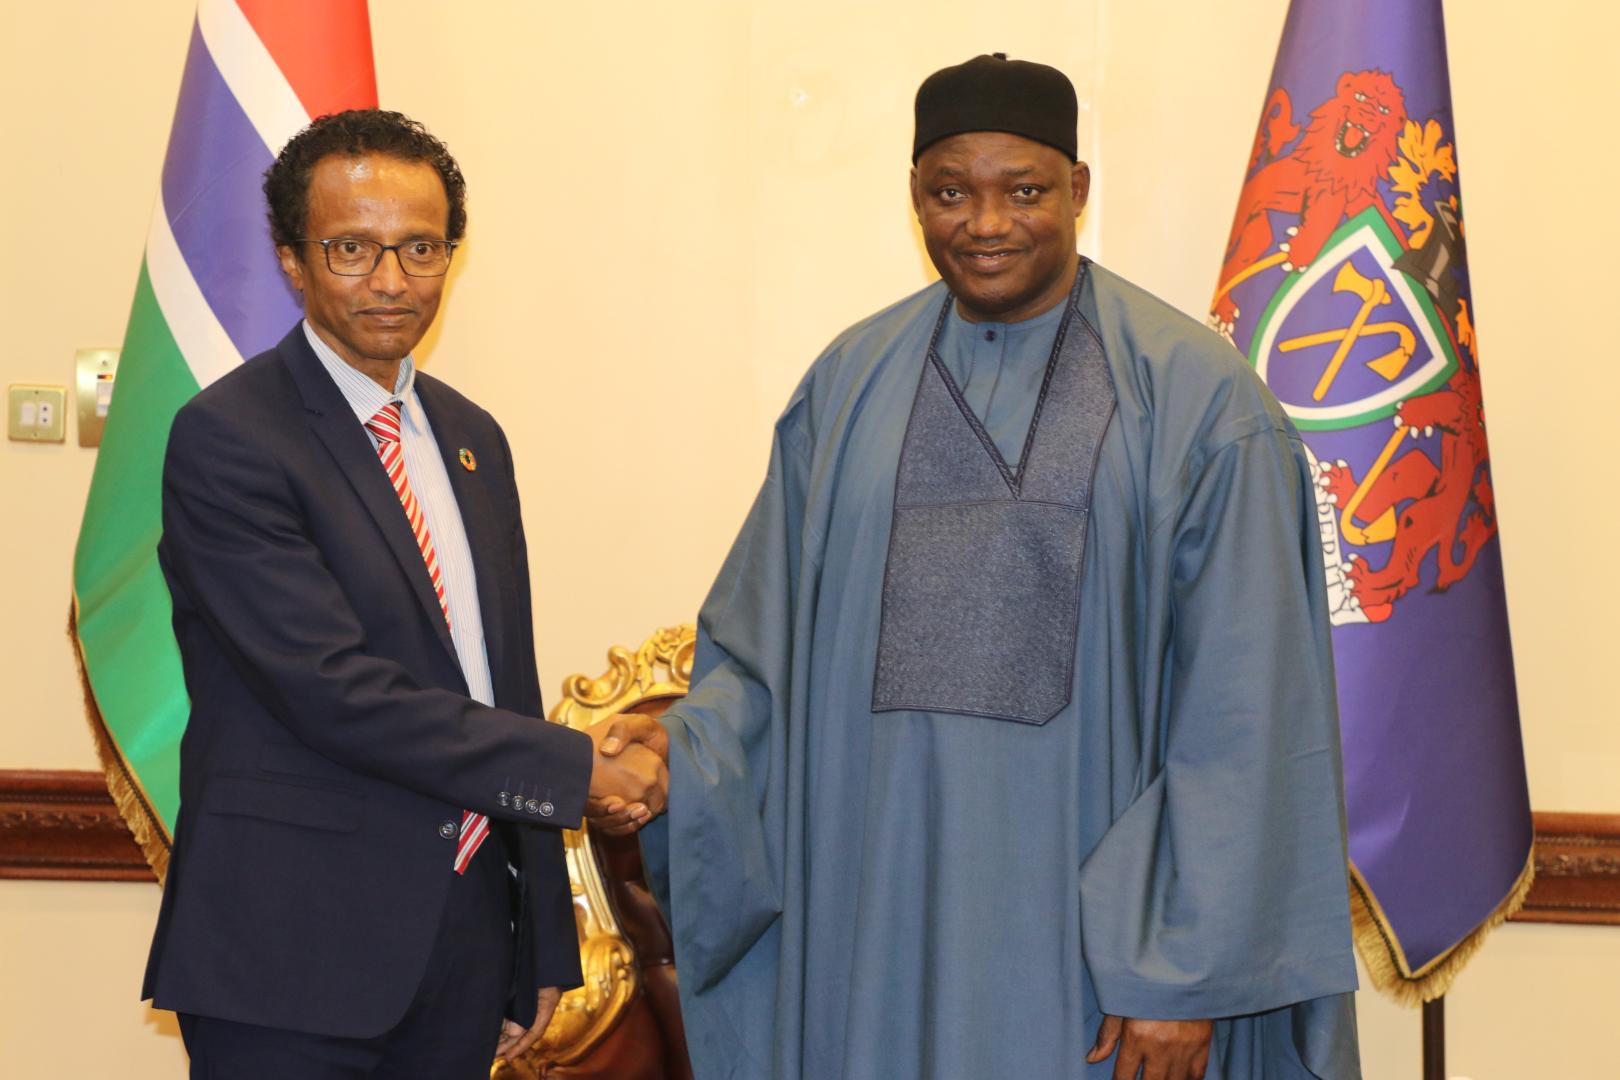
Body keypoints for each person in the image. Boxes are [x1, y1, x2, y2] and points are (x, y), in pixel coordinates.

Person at [590, 55, 1362, 1079]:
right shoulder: (849, 386)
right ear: (915, 198)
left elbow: (1249, 713)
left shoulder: (1198, 401)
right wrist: (677, 750)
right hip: (878, 934)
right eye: (952, 192)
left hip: (1099, 964)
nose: (987, 222)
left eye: (1025, 191)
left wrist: (1188, 971)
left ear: (1079, 192)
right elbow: (757, 657)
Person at [141, 109, 665, 1079]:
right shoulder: (231, 438)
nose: (391, 280)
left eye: (420, 248)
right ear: (294, 260)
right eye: (352, 249)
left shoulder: (472, 438)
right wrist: (573, 767)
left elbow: (498, 678)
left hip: (461, 947)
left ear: (450, 257)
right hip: (291, 953)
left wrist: (538, 939)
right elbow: (330, 688)